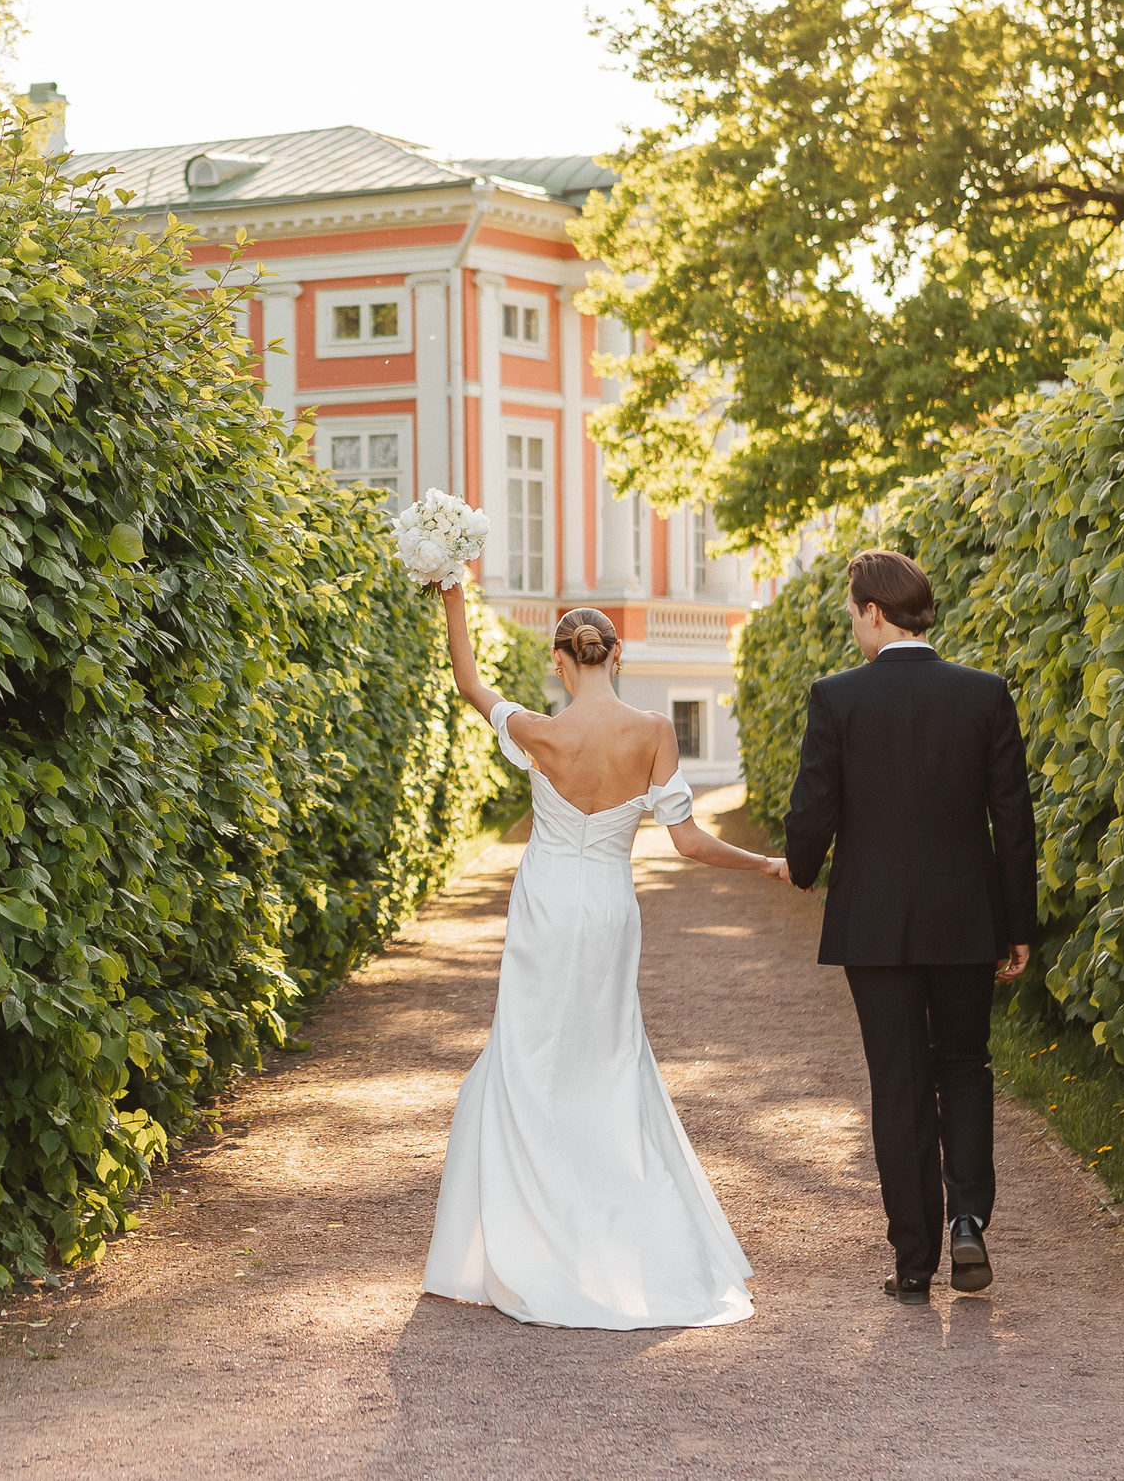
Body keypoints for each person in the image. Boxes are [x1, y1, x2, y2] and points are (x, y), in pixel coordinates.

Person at [421, 587, 788, 1328]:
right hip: (610, 909)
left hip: (547, 906)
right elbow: (686, 841)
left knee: (527, 1058)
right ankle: (627, 1237)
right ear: (617, 655)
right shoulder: (654, 731)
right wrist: (765, 865)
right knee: (609, 1058)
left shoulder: (535, 729)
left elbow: (466, 680)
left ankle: (533, 1237)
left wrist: (453, 591)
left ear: (561, 662)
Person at [782, 549, 1036, 1306]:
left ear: (872, 611)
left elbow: (812, 811)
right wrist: (1016, 923)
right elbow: (1013, 820)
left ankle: (915, 1259)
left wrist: (800, 865)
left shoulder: (838, 698)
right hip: (966, 920)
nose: (852, 624)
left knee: (899, 1081)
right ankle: (967, 1219)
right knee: (964, 1066)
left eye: (852, 612)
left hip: (876, 925)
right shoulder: (985, 693)